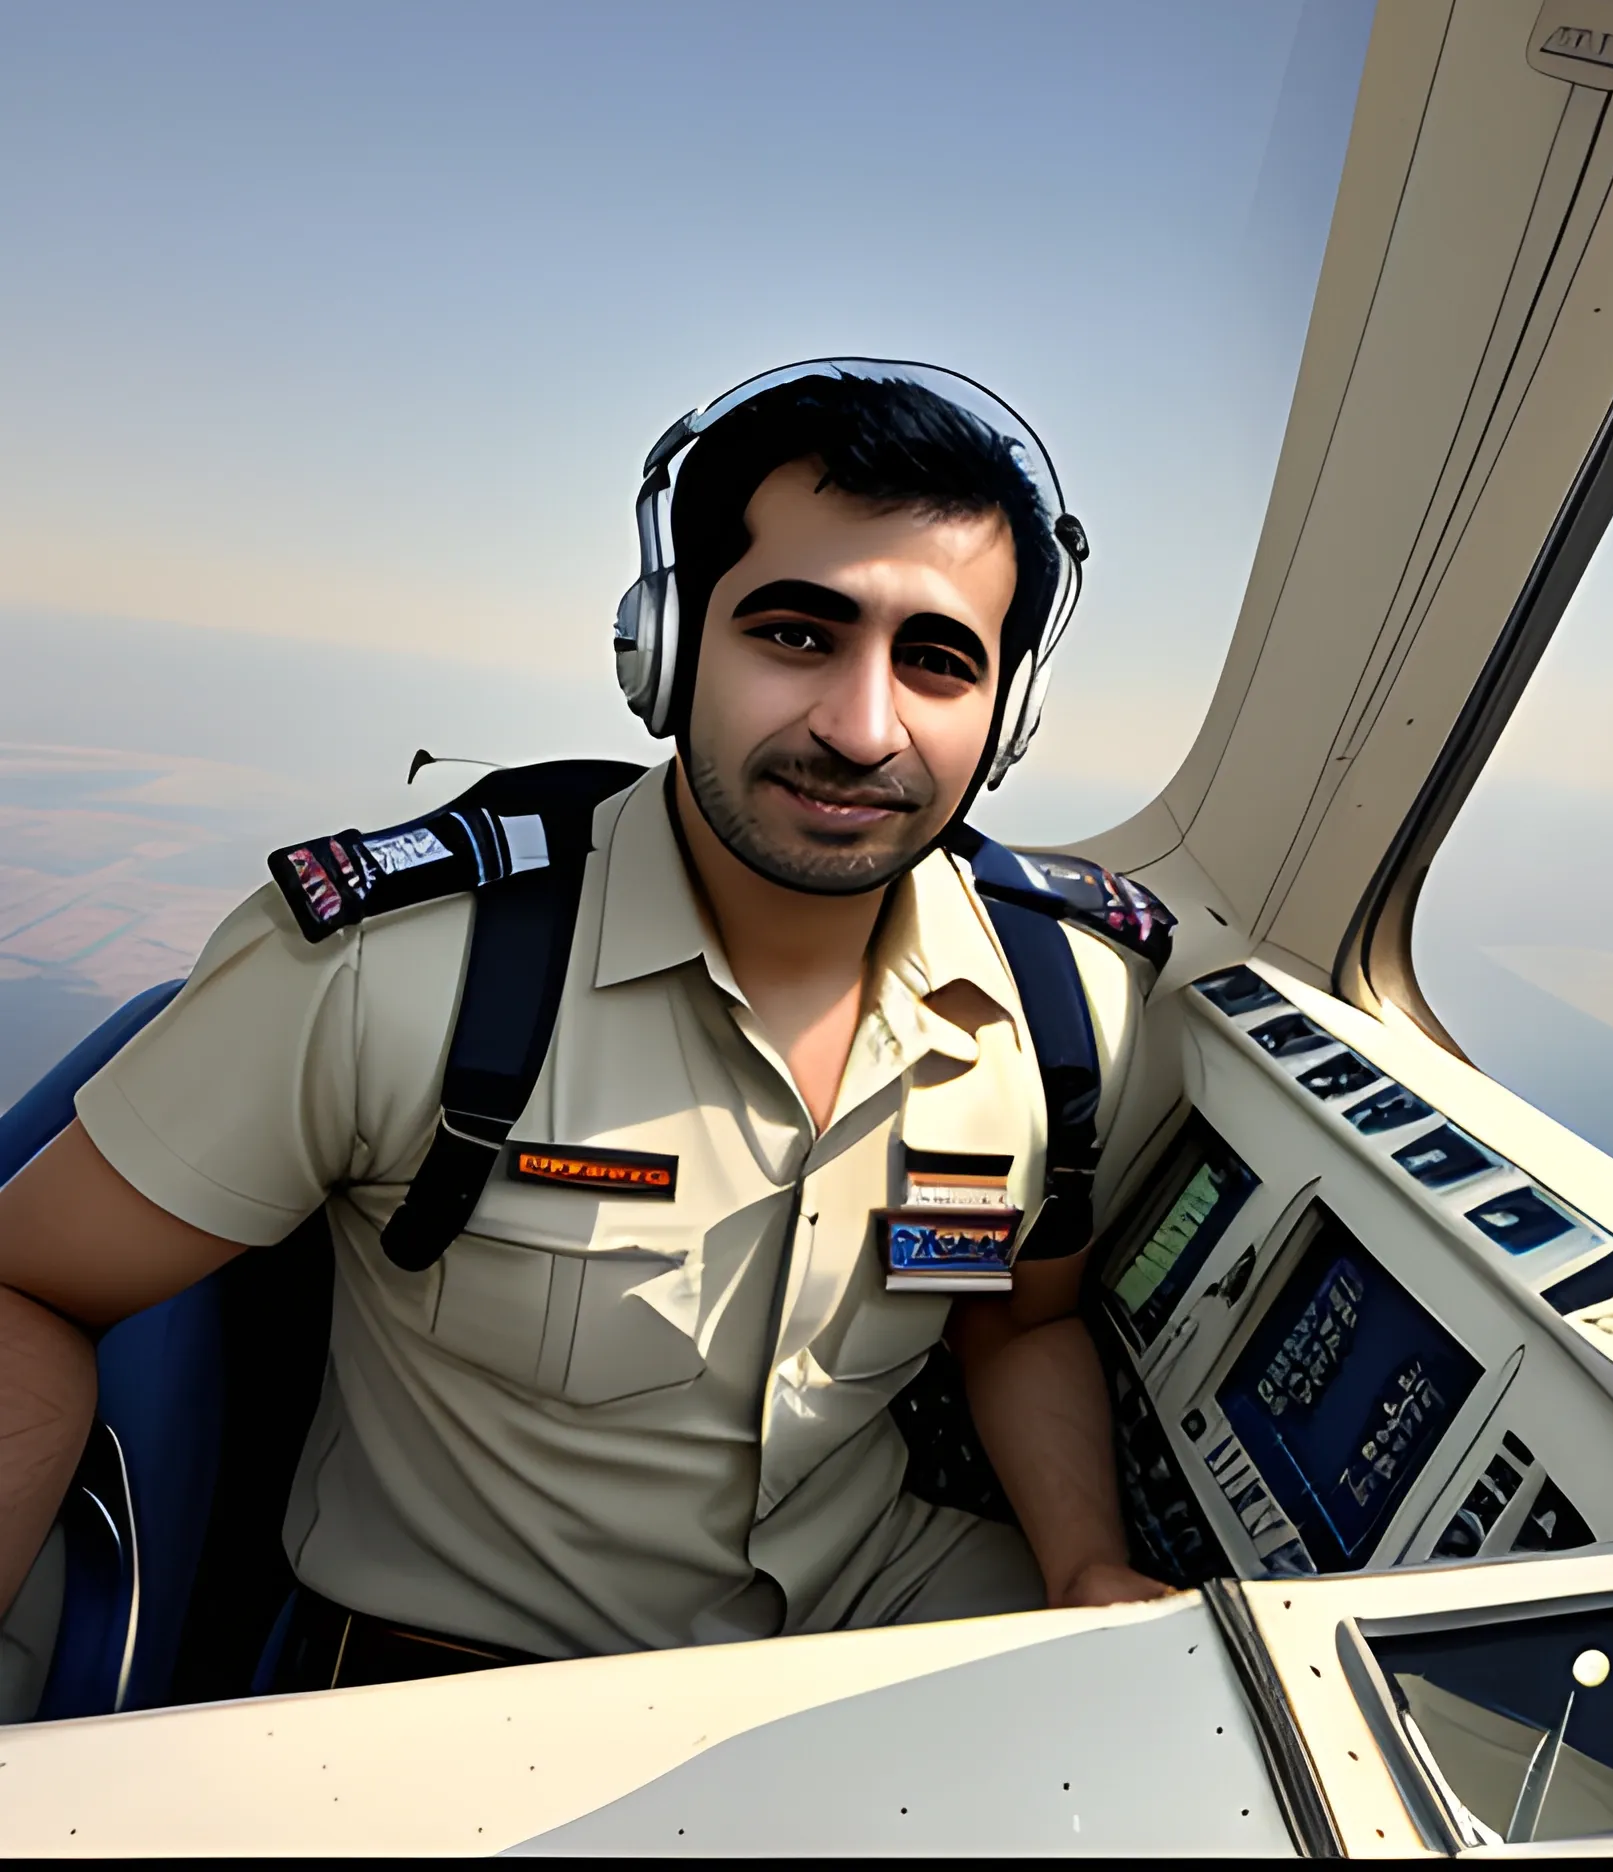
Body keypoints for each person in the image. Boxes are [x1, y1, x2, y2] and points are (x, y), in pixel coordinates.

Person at [0, 362, 1172, 1689]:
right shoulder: (396, 971)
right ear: (664, 650)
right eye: (796, 633)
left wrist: (1082, 1568)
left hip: (870, 1608)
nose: (861, 726)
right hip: (472, 1668)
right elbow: (27, 1281)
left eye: (940, 661)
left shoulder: (1068, 1008)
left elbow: (1017, 1320)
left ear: (1006, 716)